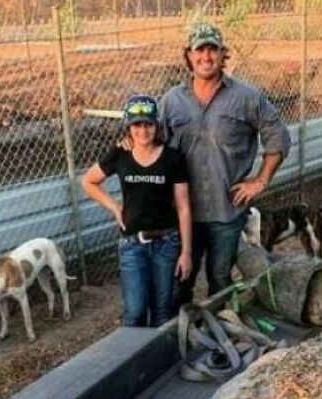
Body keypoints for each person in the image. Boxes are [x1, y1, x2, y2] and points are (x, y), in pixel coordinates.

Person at [159, 23, 291, 305]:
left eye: (213, 49)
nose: (206, 56)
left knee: (219, 279)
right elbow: (153, 148)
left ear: (223, 54)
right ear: (188, 55)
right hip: (184, 214)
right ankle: (182, 340)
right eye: (200, 49)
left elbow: (278, 134)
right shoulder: (172, 102)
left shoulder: (246, 97)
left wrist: (261, 179)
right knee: (181, 280)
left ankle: (219, 337)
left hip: (227, 212)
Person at [81, 94, 192, 327]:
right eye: (137, 125)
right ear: (129, 127)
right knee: (135, 310)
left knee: (163, 309)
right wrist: (113, 207)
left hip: (167, 242)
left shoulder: (173, 158)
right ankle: (134, 360)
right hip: (133, 244)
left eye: (148, 124)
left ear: (157, 125)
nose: (143, 130)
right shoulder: (120, 154)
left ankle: (162, 359)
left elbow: (183, 207)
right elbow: (89, 182)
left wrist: (186, 252)